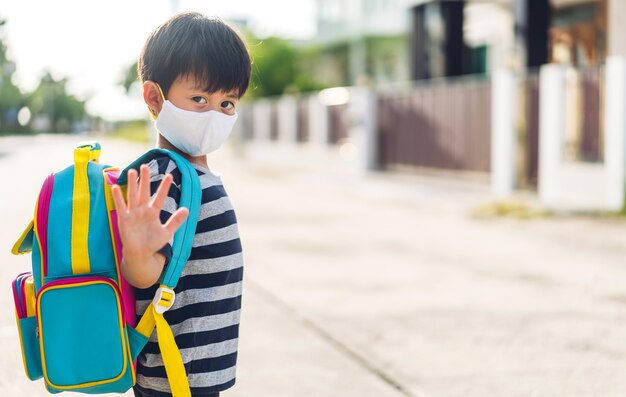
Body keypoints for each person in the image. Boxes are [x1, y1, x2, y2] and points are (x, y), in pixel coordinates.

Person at [111, 12, 251, 397]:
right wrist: (138, 251)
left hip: (192, 373)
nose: (215, 114)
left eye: (227, 103)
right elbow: (145, 275)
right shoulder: (164, 174)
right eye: (199, 98)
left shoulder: (194, 173)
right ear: (155, 98)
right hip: (175, 376)